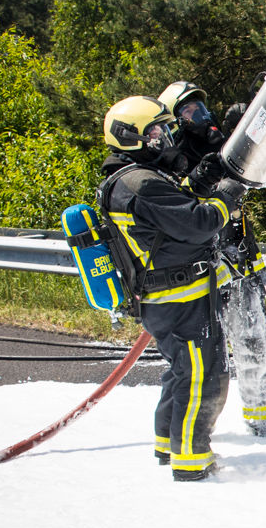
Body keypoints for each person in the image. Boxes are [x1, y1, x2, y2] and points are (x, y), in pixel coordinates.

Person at [99, 96, 244, 482]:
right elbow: (198, 222)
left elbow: (172, 210)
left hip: (171, 297)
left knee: (183, 372)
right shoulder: (140, 184)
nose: (164, 137)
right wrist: (227, 196)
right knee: (203, 378)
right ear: (130, 137)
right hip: (180, 300)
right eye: (155, 131)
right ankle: (191, 461)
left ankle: (167, 443)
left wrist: (201, 180)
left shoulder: (135, 179)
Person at [159, 80, 266, 439]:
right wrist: (196, 180)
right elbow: (178, 213)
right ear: (175, 122)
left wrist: (259, 111)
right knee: (203, 356)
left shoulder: (222, 147)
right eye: (190, 111)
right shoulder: (171, 163)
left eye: (202, 107)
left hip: (239, 260)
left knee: (253, 342)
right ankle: (194, 426)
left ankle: (260, 421)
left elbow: (261, 153)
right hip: (205, 270)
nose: (201, 116)